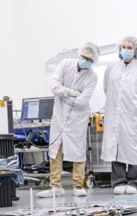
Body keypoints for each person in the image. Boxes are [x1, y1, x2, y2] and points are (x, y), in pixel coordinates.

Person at [37, 43, 100, 198]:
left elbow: (83, 101)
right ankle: (55, 186)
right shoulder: (65, 64)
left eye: (89, 59)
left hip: (77, 119)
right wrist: (72, 93)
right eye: (84, 57)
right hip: (59, 116)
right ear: (79, 54)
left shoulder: (92, 77)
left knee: (78, 150)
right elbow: (54, 86)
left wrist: (64, 94)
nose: (86, 61)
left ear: (93, 61)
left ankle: (78, 185)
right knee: (55, 148)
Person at [102, 36, 137, 195]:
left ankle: (134, 182)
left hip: (132, 116)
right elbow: (106, 88)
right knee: (115, 147)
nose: (125, 50)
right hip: (113, 114)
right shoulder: (111, 67)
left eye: (129, 47)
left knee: (133, 148)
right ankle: (118, 181)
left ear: (135, 50)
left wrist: (133, 104)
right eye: (123, 47)